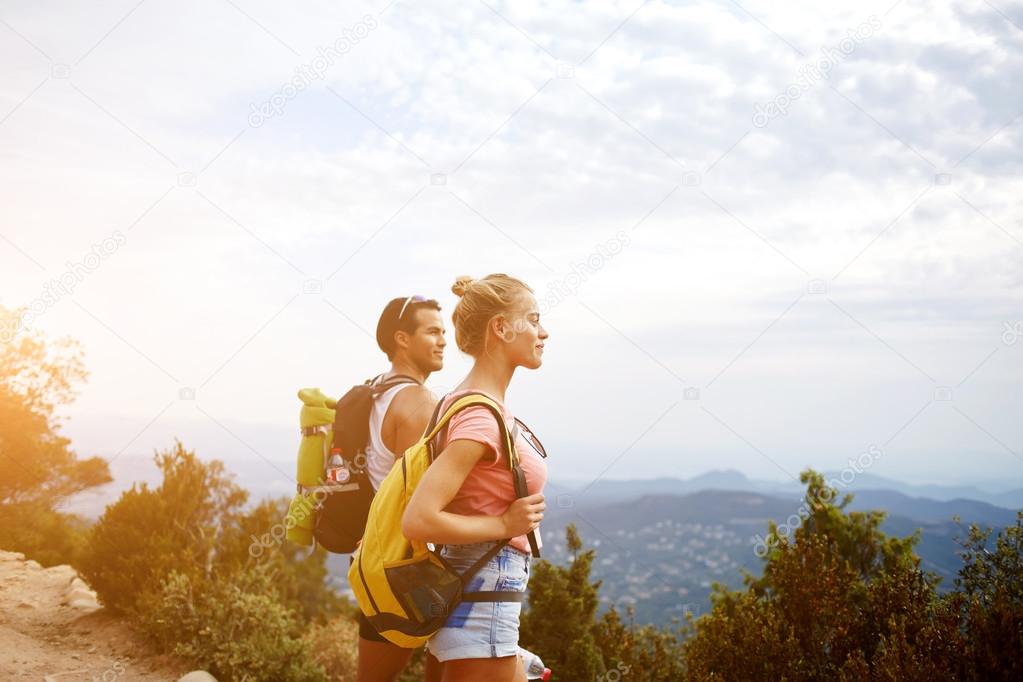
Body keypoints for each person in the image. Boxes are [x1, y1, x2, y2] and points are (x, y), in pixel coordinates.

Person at [403, 274, 549, 682]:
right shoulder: (480, 417)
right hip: (482, 604)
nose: (544, 332)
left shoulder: (463, 403)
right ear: (500, 328)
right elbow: (419, 518)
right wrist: (505, 524)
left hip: (473, 598)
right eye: (534, 320)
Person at [357, 294, 447, 682]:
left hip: (374, 559)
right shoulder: (418, 400)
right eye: (432, 331)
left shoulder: (375, 390)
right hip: (406, 568)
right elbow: (417, 497)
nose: (443, 340)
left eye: (444, 331)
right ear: (402, 339)